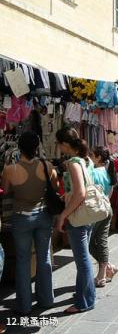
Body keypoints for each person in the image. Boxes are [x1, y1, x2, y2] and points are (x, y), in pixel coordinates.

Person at [1, 131, 56, 315]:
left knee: (23, 261)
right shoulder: (47, 165)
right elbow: (54, 185)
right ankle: (46, 300)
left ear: (19, 148)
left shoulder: (10, 169)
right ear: (37, 146)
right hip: (43, 215)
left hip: (21, 217)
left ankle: (24, 305)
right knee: (44, 258)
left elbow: (6, 189)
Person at [55, 127, 96, 314]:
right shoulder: (85, 160)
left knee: (82, 260)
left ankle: (85, 301)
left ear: (64, 144)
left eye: (58, 143)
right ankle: (84, 296)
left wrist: (64, 214)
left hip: (77, 216)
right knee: (83, 258)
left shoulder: (73, 163)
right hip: (87, 215)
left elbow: (80, 192)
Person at [89, 147, 118, 288]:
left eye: (92, 155)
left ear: (98, 157)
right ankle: (107, 269)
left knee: (91, 243)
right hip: (107, 209)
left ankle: (103, 273)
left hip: (96, 211)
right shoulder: (108, 172)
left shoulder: (93, 173)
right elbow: (111, 191)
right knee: (101, 241)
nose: (90, 157)